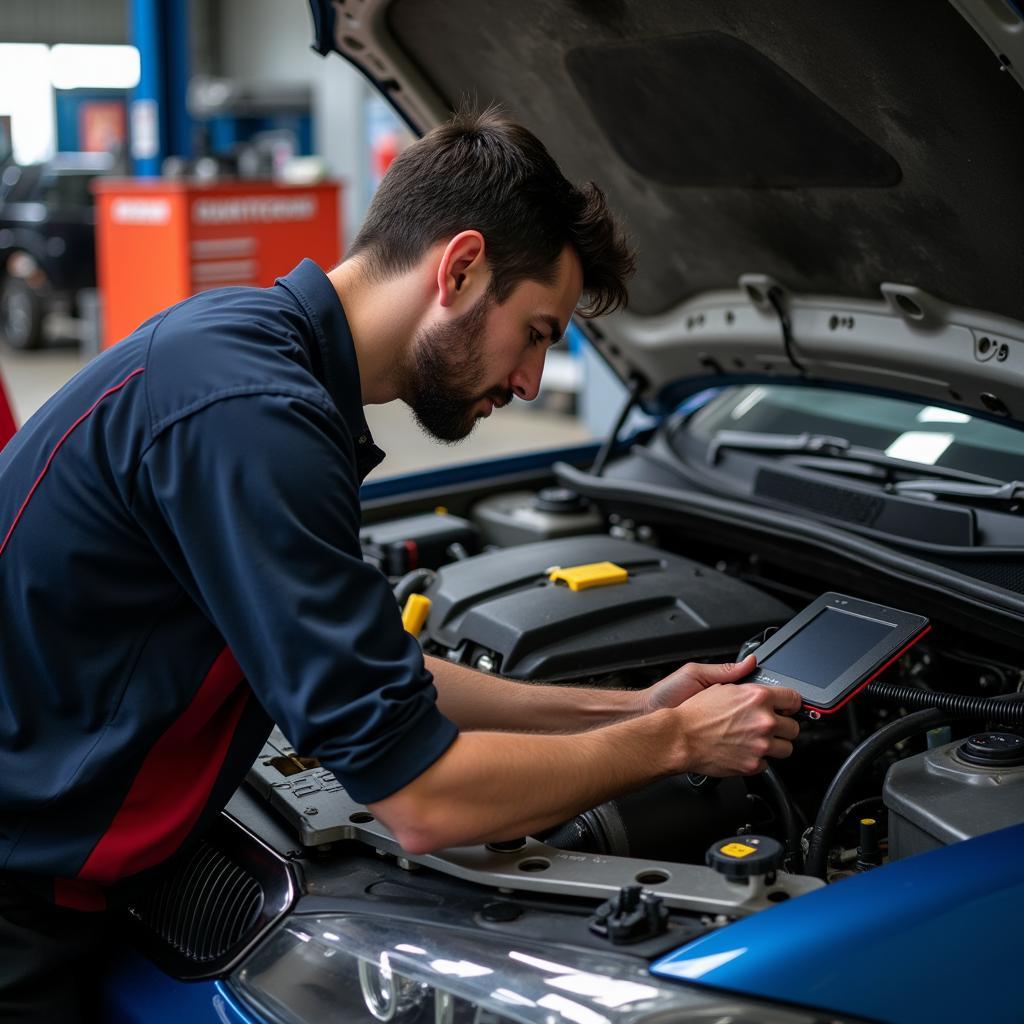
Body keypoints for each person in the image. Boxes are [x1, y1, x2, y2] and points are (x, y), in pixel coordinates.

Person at [0, 107, 800, 1021]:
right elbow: (420, 800)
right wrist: (677, 744)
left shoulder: (243, 354)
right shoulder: (257, 415)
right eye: (538, 331)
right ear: (459, 269)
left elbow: (378, 672)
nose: (534, 382)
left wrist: (632, 705)